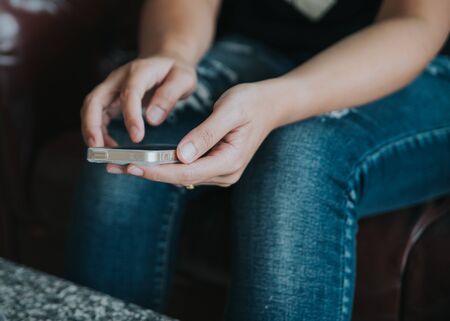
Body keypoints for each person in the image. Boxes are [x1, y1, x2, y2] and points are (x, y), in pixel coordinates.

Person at [65, 0, 450, 320]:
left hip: (415, 64)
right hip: (259, 48)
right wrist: (171, 53)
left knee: (298, 158)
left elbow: (415, 21)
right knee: (135, 138)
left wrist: (280, 101)